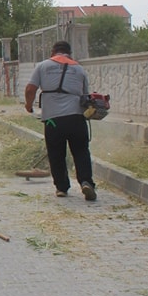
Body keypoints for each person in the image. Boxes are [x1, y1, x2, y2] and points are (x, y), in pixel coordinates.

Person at [24, 40, 97, 201]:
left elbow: (30, 89)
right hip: (77, 119)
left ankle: (62, 187)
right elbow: (85, 97)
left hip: (53, 121)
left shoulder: (43, 66)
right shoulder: (79, 69)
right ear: (69, 54)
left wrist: (29, 106)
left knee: (56, 153)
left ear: (53, 52)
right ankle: (86, 182)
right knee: (81, 151)